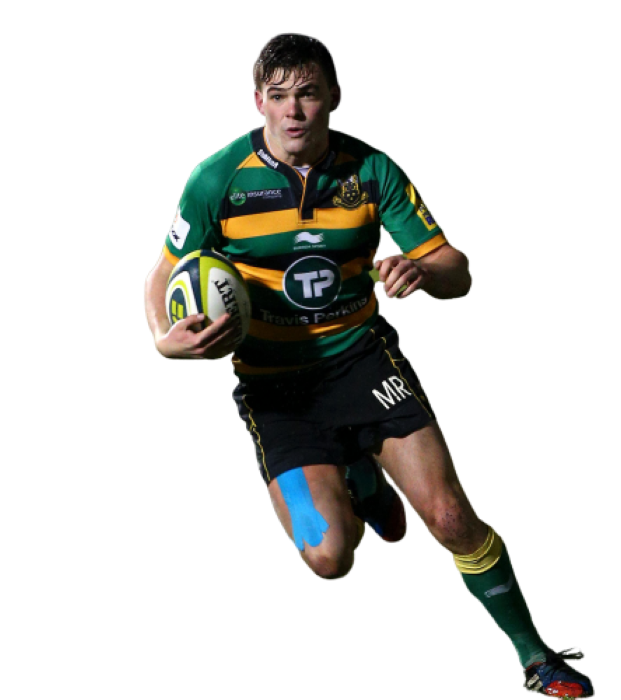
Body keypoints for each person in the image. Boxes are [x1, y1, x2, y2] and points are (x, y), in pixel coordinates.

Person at [142, 33, 594, 699]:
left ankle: (534, 654)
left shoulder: (373, 168)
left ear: (334, 96)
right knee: (329, 558)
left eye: (308, 93)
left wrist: (422, 271)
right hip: (275, 391)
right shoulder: (216, 178)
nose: (294, 111)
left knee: (449, 517)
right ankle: (366, 483)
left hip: (361, 363)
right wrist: (163, 341)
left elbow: (459, 272)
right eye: (279, 96)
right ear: (258, 101)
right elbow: (161, 274)